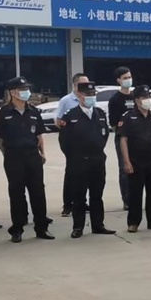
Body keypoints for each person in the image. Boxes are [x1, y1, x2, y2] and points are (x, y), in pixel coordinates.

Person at [0, 76, 54, 243]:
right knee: (16, 193)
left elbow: (39, 134)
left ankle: (41, 227)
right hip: (14, 157)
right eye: (22, 90)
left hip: (33, 156)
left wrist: (42, 152)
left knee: (38, 192)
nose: (26, 92)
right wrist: (6, 153)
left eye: (27, 89)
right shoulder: (3, 112)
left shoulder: (34, 111)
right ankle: (17, 229)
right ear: (13, 93)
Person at [61, 82, 116, 238]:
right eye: (87, 95)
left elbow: (104, 135)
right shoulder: (70, 115)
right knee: (79, 196)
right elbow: (64, 141)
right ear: (80, 95)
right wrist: (74, 157)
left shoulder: (99, 113)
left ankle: (98, 225)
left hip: (97, 160)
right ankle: (78, 227)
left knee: (97, 195)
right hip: (78, 162)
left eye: (93, 95)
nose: (91, 97)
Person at [120, 85, 151, 233]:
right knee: (135, 193)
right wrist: (126, 162)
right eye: (144, 97)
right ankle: (133, 222)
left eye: (148, 97)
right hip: (136, 161)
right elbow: (123, 140)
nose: (147, 100)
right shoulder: (129, 117)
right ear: (137, 100)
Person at [55, 73, 90, 217]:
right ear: (75, 85)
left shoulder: (89, 99)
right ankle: (68, 204)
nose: (86, 87)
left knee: (86, 173)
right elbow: (58, 121)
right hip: (71, 143)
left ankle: (82, 202)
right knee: (71, 173)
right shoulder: (66, 100)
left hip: (86, 142)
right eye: (83, 84)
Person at [107, 66, 136, 210]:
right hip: (123, 138)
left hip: (139, 138)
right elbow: (113, 124)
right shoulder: (115, 100)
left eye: (129, 77)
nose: (128, 80)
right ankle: (127, 199)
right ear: (118, 80)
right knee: (125, 168)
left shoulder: (136, 96)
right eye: (125, 78)